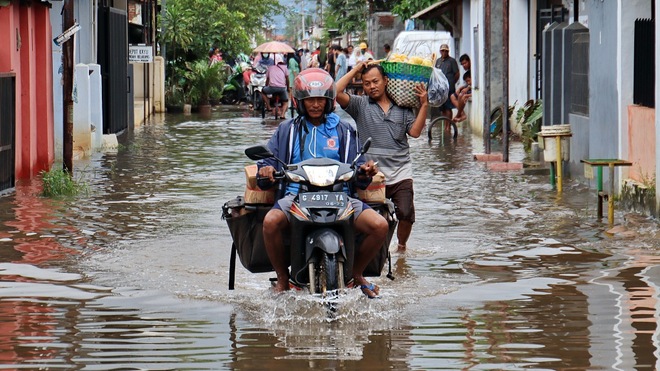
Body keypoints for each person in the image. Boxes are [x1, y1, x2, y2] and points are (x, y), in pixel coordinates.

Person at [257, 68, 388, 298]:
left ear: (329, 101)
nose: (315, 105)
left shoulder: (345, 130)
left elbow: (359, 166)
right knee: (270, 222)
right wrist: (266, 169)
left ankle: (357, 274)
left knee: (380, 226)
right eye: (310, 100)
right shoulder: (287, 130)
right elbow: (269, 160)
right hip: (296, 196)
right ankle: (282, 278)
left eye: (320, 99)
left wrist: (365, 171)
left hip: (341, 197)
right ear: (300, 102)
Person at [336, 61, 429, 253]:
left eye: (376, 81)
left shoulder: (403, 107)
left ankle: (401, 248)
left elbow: (415, 132)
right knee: (367, 215)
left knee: (405, 213)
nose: (372, 86)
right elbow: (334, 92)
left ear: (386, 81)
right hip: (371, 173)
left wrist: (424, 106)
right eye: (367, 83)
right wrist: (356, 69)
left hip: (401, 170)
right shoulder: (359, 105)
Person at [435, 44, 460, 121]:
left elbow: (457, 74)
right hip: (440, 88)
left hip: (449, 88)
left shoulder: (452, 61)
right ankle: (445, 126)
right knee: (442, 108)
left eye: (446, 51)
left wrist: (452, 82)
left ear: (448, 51)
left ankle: (448, 126)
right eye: (443, 50)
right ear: (440, 51)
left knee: (448, 107)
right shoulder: (438, 61)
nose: (444, 52)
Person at [261, 54, 289, 119]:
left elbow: (267, 79)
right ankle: (282, 114)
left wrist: (266, 86)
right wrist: (287, 87)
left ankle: (268, 106)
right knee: (286, 102)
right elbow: (287, 79)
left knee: (263, 91)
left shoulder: (270, 67)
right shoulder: (285, 68)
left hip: (272, 88)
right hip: (282, 88)